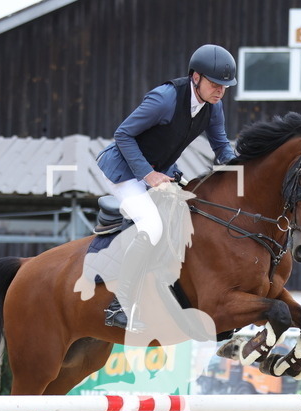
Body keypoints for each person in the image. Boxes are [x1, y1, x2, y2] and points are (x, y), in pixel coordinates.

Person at [95, 44, 237, 332]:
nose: (220, 90)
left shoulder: (213, 107)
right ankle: (119, 304)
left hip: (159, 171)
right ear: (195, 77)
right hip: (124, 170)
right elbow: (123, 134)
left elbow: (222, 147)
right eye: (215, 83)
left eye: (225, 85)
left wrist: (245, 172)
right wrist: (148, 175)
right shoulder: (165, 99)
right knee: (152, 225)